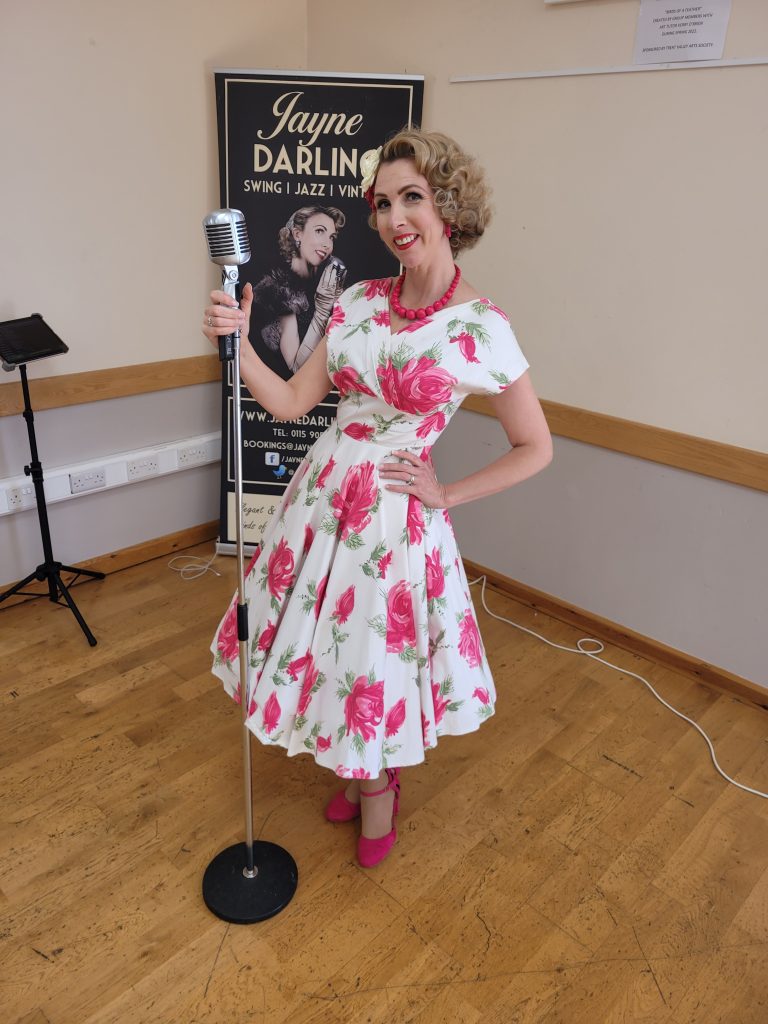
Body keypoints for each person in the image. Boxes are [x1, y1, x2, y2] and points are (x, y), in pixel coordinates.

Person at [203, 127, 553, 868]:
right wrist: (237, 344)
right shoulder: (359, 300)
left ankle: (378, 784)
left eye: (414, 198)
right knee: (329, 650)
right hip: (322, 499)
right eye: (385, 201)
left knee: (370, 660)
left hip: (394, 518)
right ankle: (358, 767)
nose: (396, 217)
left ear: (449, 209)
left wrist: (447, 492)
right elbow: (298, 401)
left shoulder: (482, 328)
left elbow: (537, 447)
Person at [250, 205, 347, 374]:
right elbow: (298, 369)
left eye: (331, 237)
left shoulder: (326, 280)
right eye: (319, 231)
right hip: (282, 391)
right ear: (297, 234)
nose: (327, 244)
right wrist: (324, 310)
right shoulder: (278, 289)